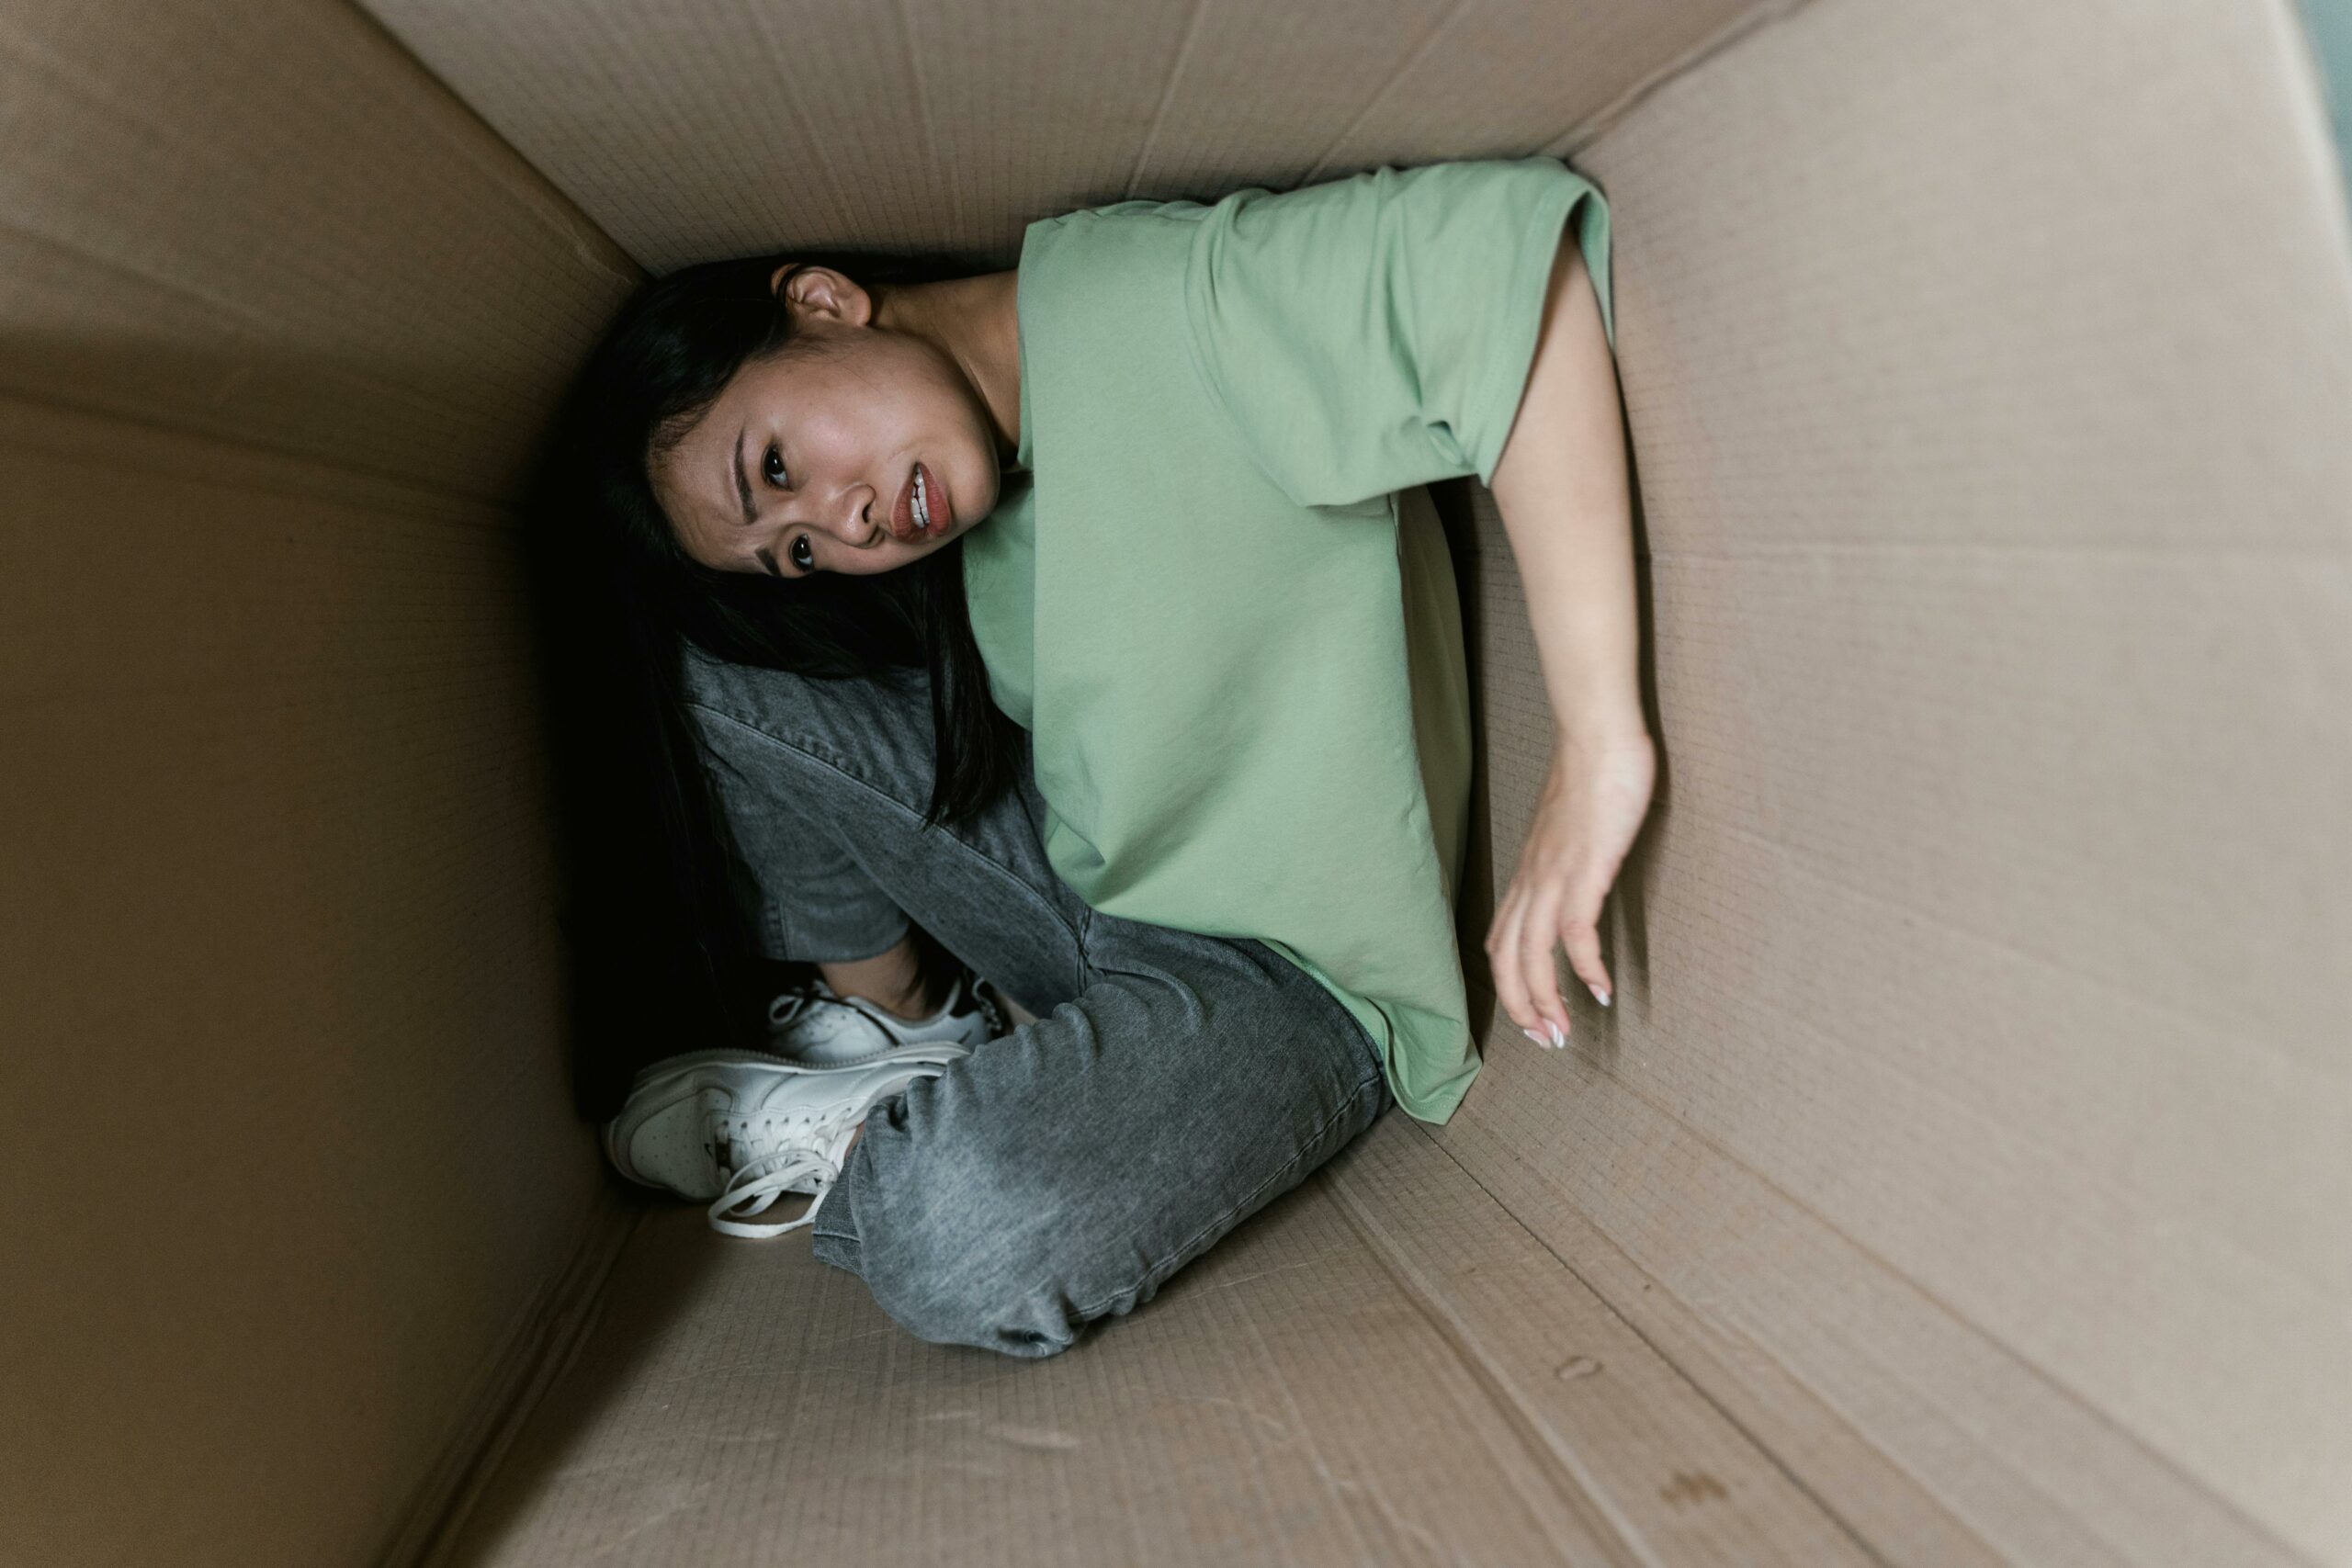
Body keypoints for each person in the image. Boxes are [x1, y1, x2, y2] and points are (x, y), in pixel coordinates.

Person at [535, 156, 1657, 1359]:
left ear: (821, 301)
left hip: (1288, 978)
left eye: (774, 466)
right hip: (1093, 888)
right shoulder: (994, 469)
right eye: (797, 549)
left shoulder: (1173, 302)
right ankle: (897, 1034)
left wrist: (1596, 743)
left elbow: (1499, 265)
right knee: (707, 662)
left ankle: (902, 1134)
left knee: (948, 1230)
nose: (841, 524)